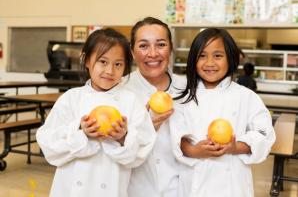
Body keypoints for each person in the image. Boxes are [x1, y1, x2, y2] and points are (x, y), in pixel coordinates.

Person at [36, 28, 156, 197]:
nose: (109, 71)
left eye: (118, 64)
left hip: (113, 189)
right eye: (103, 62)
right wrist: (80, 131)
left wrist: (123, 137)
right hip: (71, 190)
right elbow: (48, 144)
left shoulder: (131, 102)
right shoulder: (71, 99)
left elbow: (144, 147)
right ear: (86, 60)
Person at [169, 28, 276, 197]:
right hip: (194, 184)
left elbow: (264, 135)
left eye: (218, 56)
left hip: (232, 185)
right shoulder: (183, 97)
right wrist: (196, 151)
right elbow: (176, 137)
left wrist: (235, 147)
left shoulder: (246, 96)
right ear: (193, 60)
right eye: (202, 56)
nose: (209, 63)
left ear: (231, 59)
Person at [123, 17, 190, 197]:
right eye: (143, 46)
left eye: (160, 44)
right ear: (132, 51)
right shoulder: (120, 90)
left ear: (171, 47)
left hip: (182, 190)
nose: (153, 53)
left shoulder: (188, 88)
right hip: (135, 190)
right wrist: (144, 127)